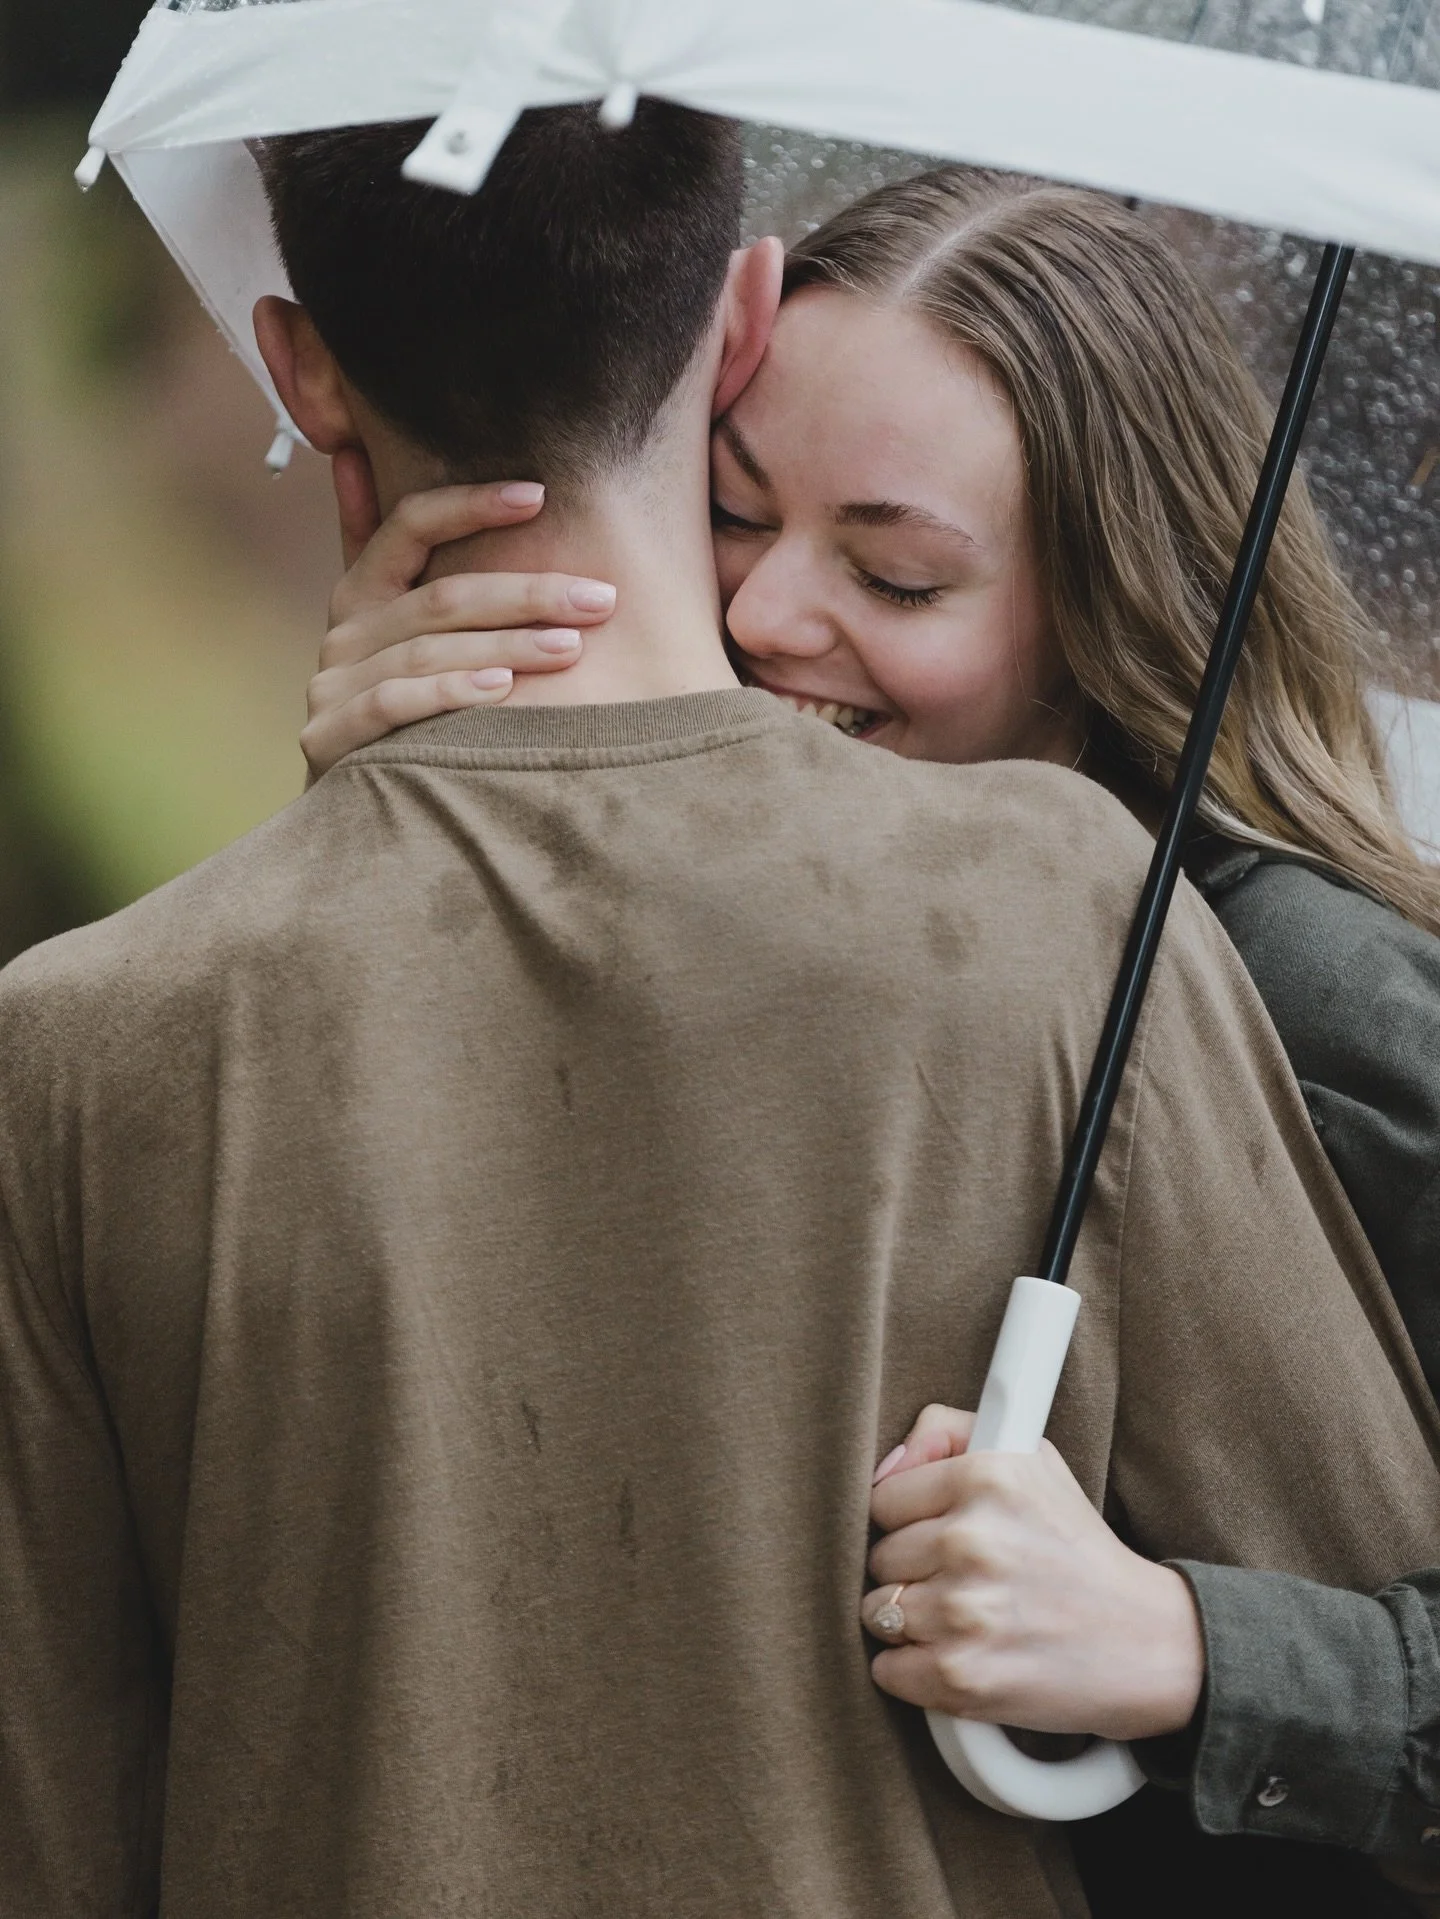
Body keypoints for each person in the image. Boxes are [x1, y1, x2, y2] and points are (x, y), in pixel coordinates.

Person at [2, 113, 1438, 1919]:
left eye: (900, 577)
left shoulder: (1248, 976)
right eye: (737, 513)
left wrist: (1195, 1646)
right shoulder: (1027, 914)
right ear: (734, 321)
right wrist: (390, 838)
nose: (762, 606)